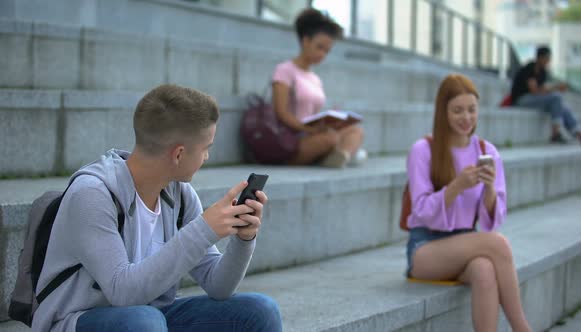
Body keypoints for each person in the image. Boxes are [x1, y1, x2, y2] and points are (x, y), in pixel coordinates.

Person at [32, 85, 282, 332]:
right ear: (179, 155)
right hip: (79, 320)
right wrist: (204, 229)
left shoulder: (180, 195)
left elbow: (219, 286)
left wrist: (244, 238)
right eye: (206, 148)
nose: (206, 158)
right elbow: (122, 292)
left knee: (260, 310)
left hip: (152, 319)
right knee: (144, 322)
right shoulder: (92, 195)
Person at [405, 74, 532, 332]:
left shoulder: (487, 151)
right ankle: (523, 329)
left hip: (467, 242)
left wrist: (488, 188)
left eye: (472, 110)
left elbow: (492, 221)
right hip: (426, 248)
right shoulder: (423, 150)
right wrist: (456, 186)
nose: (466, 118)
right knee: (498, 244)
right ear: (443, 112)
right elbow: (421, 211)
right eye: (457, 110)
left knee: (484, 269)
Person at [271, 8, 366, 168]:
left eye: (327, 51)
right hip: (291, 140)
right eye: (319, 47)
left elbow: (313, 115)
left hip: (312, 134)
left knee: (356, 131)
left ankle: (341, 155)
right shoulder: (284, 70)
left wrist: (333, 121)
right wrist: (308, 129)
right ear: (305, 41)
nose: (322, 54)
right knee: (330, 139)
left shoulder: (315, 78)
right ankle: (341, 155)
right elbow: (282, 113)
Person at [511, 46, 581, 145]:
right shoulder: (529, 68)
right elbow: (534, 91)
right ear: (540, 57)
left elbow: (542, 90)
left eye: (549, 59)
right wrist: (556, 88)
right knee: (556, 98)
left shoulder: (543, 72)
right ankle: (555, 133)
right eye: (546, 58)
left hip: (534, 100)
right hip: (521, 100)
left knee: (561, 106)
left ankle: (578, 134)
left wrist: (555, 89)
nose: (548, 61)